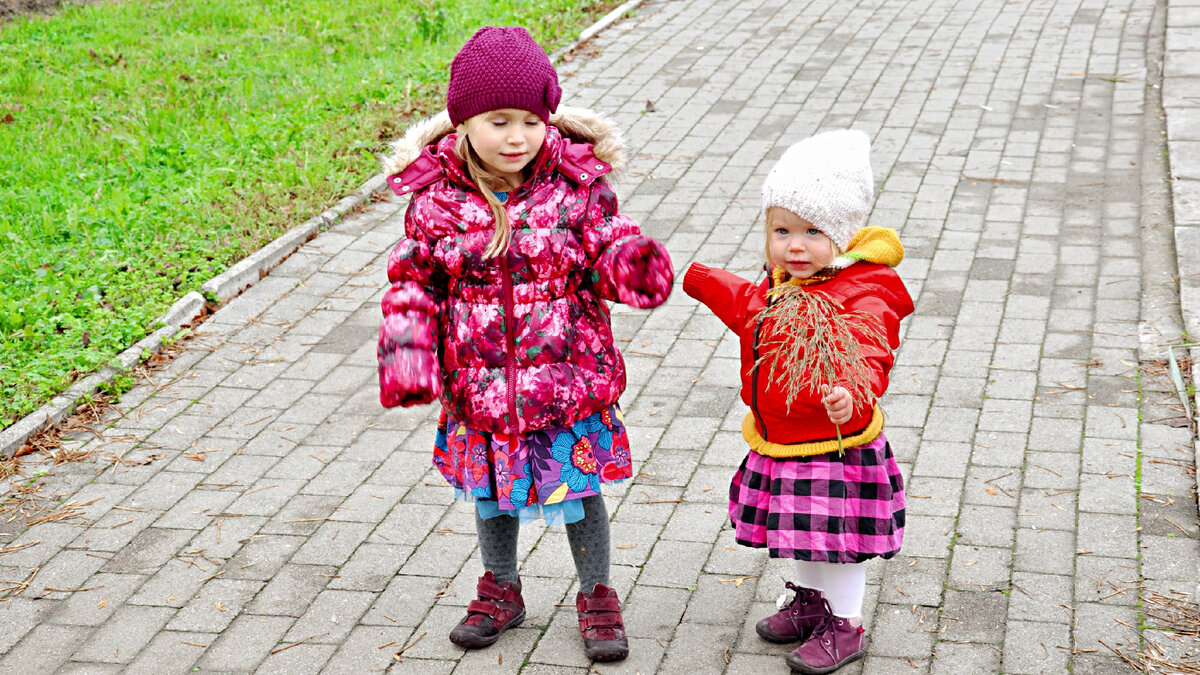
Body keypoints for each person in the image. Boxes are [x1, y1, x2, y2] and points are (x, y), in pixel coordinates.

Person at [375, 25, 673, 663]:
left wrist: (630, 263)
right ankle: (501, 586)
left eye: (532, 121)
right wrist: (408, 352)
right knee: (491, 493)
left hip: (567, 381)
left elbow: (606, 240)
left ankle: (597, 591)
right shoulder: (436, 201)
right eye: (499, 121)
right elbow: (413, 279)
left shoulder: (575, 185)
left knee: (579, 491)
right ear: (463, 124)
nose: (517, 137)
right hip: (480, 387)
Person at [681, 130, 912, 674]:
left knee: (839, 539)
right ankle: (811, 604)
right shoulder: (781, 284)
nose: (795, 245)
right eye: (782, 231)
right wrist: (700, 279)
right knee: (802, 532)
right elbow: (749, 309)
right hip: (783, 437)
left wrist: (851, 396)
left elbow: (872, 352)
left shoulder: (862, 291)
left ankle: (846, 624)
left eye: (813, 232)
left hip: (835, 442)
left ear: (845, 235)